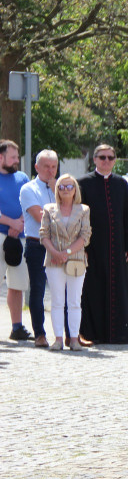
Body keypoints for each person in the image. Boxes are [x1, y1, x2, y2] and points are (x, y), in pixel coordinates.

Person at [78, 144, 128, 345]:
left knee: (118, 288)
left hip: (117, 245)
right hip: (93, 246)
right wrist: (82, 247)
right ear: (94, 159)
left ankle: (120, 333)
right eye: (102, 157)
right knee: (92, 289)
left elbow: (127, 215)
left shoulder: (121, 183)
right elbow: (80, 217)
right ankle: (91, 333)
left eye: (110, 158)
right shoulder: (83, 183)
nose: (106, 161)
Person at [39, 174, 92, 351]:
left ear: (75, 189)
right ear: (57, 190)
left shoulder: (83, 210)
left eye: (69, 186)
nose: (65, 190)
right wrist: (55, 252)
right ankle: (58, 339)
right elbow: (44, 234)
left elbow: (85, 236)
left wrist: (66, 252)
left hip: (76, 260)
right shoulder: (49, 208)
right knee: (57, 301)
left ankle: (74, 339)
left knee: (74, 301)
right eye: (61, 187)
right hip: (53, 260)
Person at [20, 149, 59, 347]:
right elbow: (40, 217)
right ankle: (40, 334)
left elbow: (77, 212)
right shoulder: (28, 189)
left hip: (61, 245)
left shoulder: (62, 188)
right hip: (38, 244)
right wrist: (63, 212)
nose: (51, 171)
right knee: (38, 291)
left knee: (65, 290)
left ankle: (67, 333)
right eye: (46, 167)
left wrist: (57, 192)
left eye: (54, 167)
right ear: (37, 167)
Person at [0, 139, 31, 341]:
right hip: (1, 234)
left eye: (16, 157)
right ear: (0, 157)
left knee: (18, 284)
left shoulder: (22, 177)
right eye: (12, 157)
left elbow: (30, 202)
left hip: (20, 237)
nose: (16, 161)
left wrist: (20, 223)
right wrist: (11, 222)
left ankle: (17, 327)